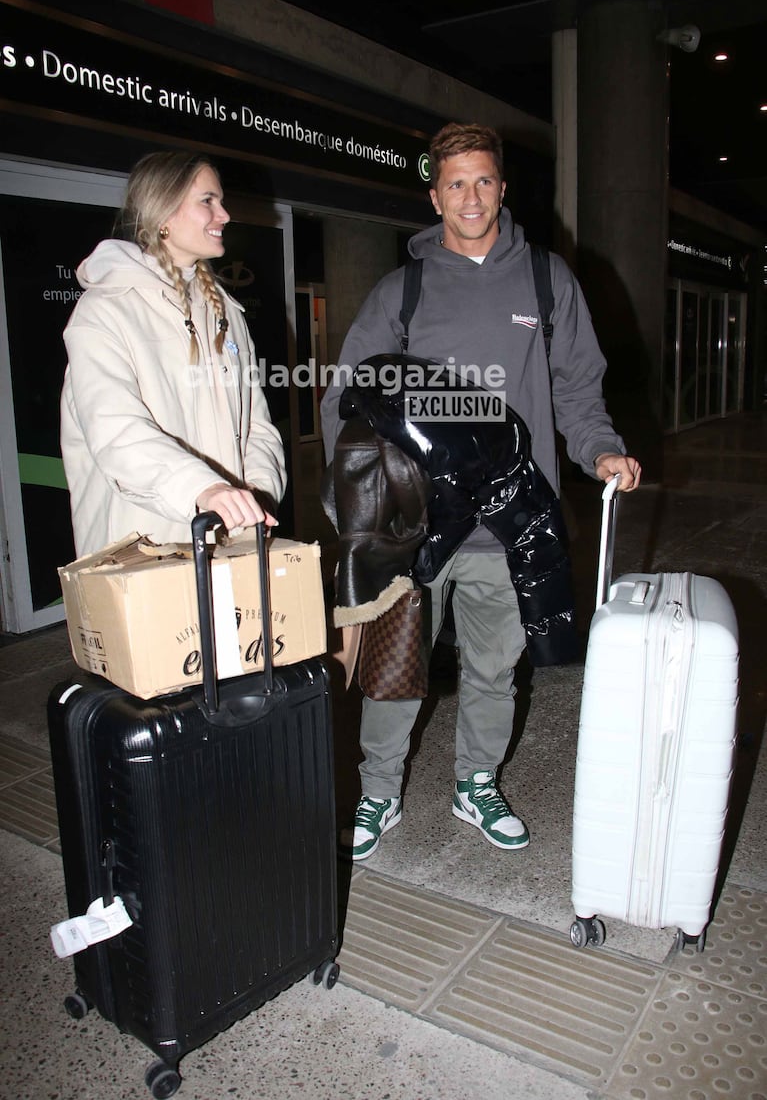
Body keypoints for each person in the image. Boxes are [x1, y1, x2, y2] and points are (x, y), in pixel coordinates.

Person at [320, 121, 641, 862]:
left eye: (483, 180)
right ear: (434, 194)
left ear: (502, 188)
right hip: (413, 522)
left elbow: (576, 387)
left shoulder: (544, 278)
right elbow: (348, 393)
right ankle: (377, 789)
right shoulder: (401, 290)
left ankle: (475, 781)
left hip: (506, 520)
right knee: (392, 670)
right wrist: (362, 496)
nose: (470, 196)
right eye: (455, 182)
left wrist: (600, 451)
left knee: (494, 665)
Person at [60, 150, 287, 556]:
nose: (224, 215)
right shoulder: (106, 310)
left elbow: (257, 425)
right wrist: (200, 488)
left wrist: (257, 491)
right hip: (143, 549)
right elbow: (114, 429)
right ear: (163, 212)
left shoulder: (226, 313)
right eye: (207, 201)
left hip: (225, 540)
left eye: (220, 200)